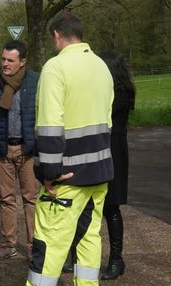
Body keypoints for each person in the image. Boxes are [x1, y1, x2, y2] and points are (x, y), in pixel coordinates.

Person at [27, 13, 114, 286]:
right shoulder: (101, 66)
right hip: (99, 172)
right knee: (89, 239)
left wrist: (49, 172)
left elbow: (50, 125)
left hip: (66, 177)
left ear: (56, 35)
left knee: (49, 243)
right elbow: (108, 120)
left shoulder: (56, 67)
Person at [62, 50, 136, 280]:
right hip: (97, 147)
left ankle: (116, 259)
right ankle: (76, 255)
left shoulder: (120, 93)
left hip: (113, 150)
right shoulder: (107, 90)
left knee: (111, 207)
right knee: (83, 203)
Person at [0, 40, 40, 261]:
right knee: (6, 198)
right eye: (3, 59)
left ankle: (34, 245)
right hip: (1, 150)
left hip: (28, 150)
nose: (5, 63)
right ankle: (8, 244)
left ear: (22, 62)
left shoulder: (36, 81)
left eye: (10, 60)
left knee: (31, 198)